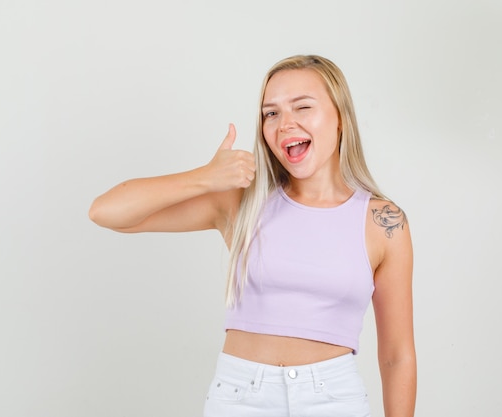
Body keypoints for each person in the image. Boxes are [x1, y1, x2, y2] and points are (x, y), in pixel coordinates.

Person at [89, 54, 416, 417]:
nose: (284, 124)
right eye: (271, 113)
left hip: (334, 400)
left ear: (341, 117)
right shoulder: (243, 201)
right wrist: (206, 177)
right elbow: (106, 211)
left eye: (302, 107)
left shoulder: (384, 222)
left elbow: (397, 354)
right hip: (240, 397)